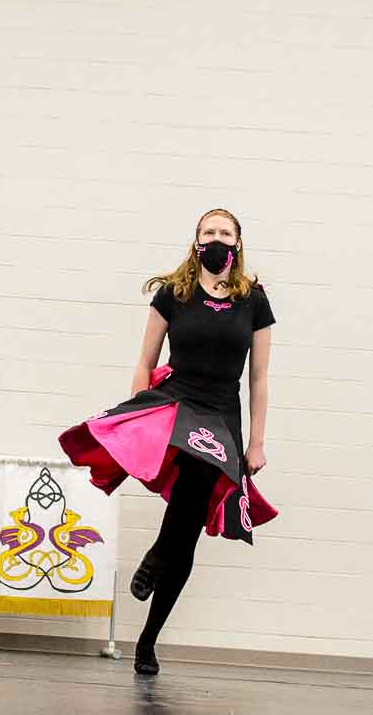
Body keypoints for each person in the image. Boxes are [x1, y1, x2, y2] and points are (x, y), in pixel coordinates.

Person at [60, 208, 277, 676]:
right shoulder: (174, 295)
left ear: (238, 243)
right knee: (195, 480)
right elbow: (145, 361)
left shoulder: (254, 301)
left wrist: (257, 442)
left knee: (190, 530)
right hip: (178, 404)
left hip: (222, 411)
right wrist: (141, 411)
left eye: (225, 232)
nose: (216, 238)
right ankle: (159, 553)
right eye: (208, 232)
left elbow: (259, 377)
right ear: (196, 241)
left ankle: (148, 635)